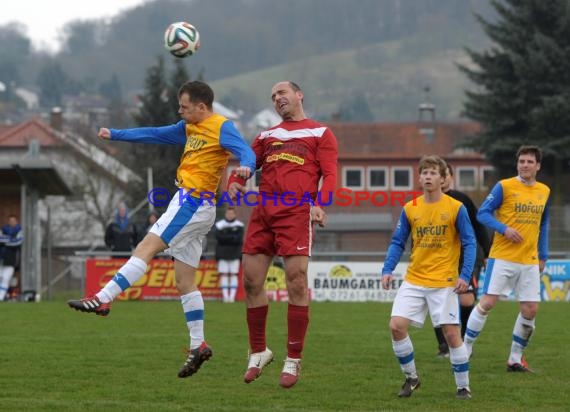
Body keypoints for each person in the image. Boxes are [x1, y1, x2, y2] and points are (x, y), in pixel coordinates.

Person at [67, 80, 256, 378]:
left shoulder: (221, 126)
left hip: (192, 202)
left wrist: (245, 167)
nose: (179, 111)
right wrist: (115, 134)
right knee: (185, 282)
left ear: (201, 106)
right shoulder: (188, 128)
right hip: (196, 206)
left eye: (184, 106)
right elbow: (153, 133)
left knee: (146, 246)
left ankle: (103, 298)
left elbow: (247, 152)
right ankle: (199, 345)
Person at [227, 81, 338, 388]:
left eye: (282, 93)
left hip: (296, 211)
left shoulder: (320, 133)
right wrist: (235, 180)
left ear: (299, 95)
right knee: (250, 280)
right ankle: (259, 351)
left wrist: (320, 204)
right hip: (264, 211)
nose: (277, 99)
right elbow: (248, 164)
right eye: (273, 97)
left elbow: (329, 174)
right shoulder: (266, 136)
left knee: (297, 280)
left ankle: (293, 358)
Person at [381, 155, 476, 400]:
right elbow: (397, 242)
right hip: (415, 279)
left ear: (443, 178)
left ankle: (463, 387)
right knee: (396, 326)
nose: (428, 177)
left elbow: (469, 241)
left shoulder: (456, 208)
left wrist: (465, 275)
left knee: (452, 335)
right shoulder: (410, 208)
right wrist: (387, 269)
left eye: (433, 173)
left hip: (444, 282)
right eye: (424, 173)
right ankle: (412, 378)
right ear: (419, 177)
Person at [464, 145, 550, 372]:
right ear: (517, 164)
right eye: (521, 161)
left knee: (531, 309)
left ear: (538, 166)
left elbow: (544, 223)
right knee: (488, 303)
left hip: (529, 260)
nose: (525, 165)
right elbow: (482, 213)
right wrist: (504, 229)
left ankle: (515, 358)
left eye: (530, 162)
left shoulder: (544, 191)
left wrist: (543, 254)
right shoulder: (504, 186)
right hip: (502, 257)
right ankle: (465, 348)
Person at [433, 163, 491, 358]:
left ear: (450, 177)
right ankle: (444, 346)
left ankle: (463, 342)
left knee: (466, 300)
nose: (441, 178)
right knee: (438, 302)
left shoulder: (462, 200)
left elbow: (478, 226)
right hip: (439, 259)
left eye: (444, 174)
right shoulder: (424, 203)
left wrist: (488, 253)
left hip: (466, 257)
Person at [214, 207, 244, 303]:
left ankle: (232, 298)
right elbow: (219, 238)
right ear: (225, 214)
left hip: (235, 253)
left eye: (231, 214)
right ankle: (226, 297)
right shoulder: (219, 225)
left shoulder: (239, 225)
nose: (230, 216)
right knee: (224, 274)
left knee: (233, 274)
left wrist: (225, 235)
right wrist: (232, 236)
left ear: (234, 214)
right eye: (228, 214)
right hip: (222, 253)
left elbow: (238, 239)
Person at [0, 215, 23, 301]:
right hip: (2, 258)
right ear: (8, 222)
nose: (12, 222)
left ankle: (1, 297)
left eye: (14, 221)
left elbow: (18, 242)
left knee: (6, 278)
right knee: (1, 277)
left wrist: (5, 242)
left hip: (12, 259)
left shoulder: (19, 230)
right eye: (10, 221)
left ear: (16, 221)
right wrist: (10, 239)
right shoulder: (3, 229)